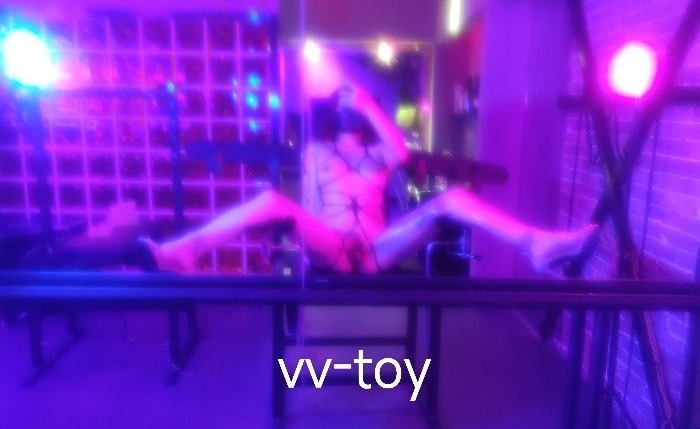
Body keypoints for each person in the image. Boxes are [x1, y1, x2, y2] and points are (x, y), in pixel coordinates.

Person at [143, 84, 596, 274]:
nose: (348, 108)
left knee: (453, 198)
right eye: (342, 103)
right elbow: (311, 201)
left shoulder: (381, 152)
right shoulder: (317, 150)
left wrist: (366, 103)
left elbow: (400, 153)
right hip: (332, 246)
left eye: (354, 104)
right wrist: (306, 241)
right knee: (269, 201)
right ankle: (185, 250)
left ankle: (534, 244)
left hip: (379, 248)